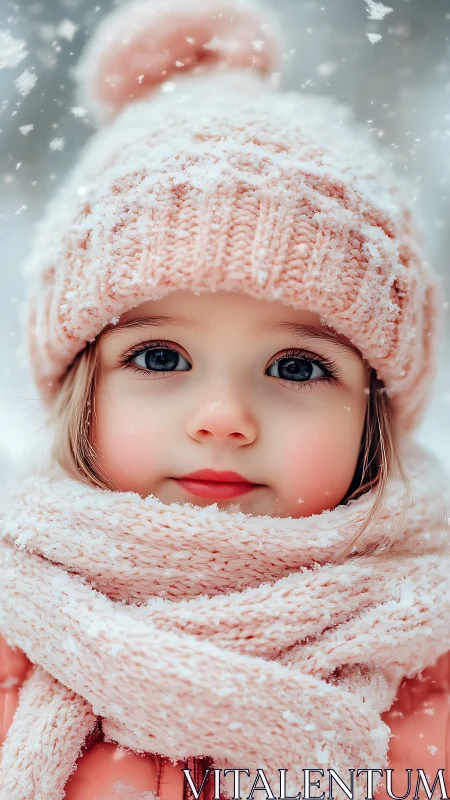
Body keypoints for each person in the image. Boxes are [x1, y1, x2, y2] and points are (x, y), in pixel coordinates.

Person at [0, 1, 449, 799]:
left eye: (300, 368)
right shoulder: (14, 645)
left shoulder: (429, 659)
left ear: (376, 411)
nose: (224, 418)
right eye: (160, 355)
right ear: (81, 390)